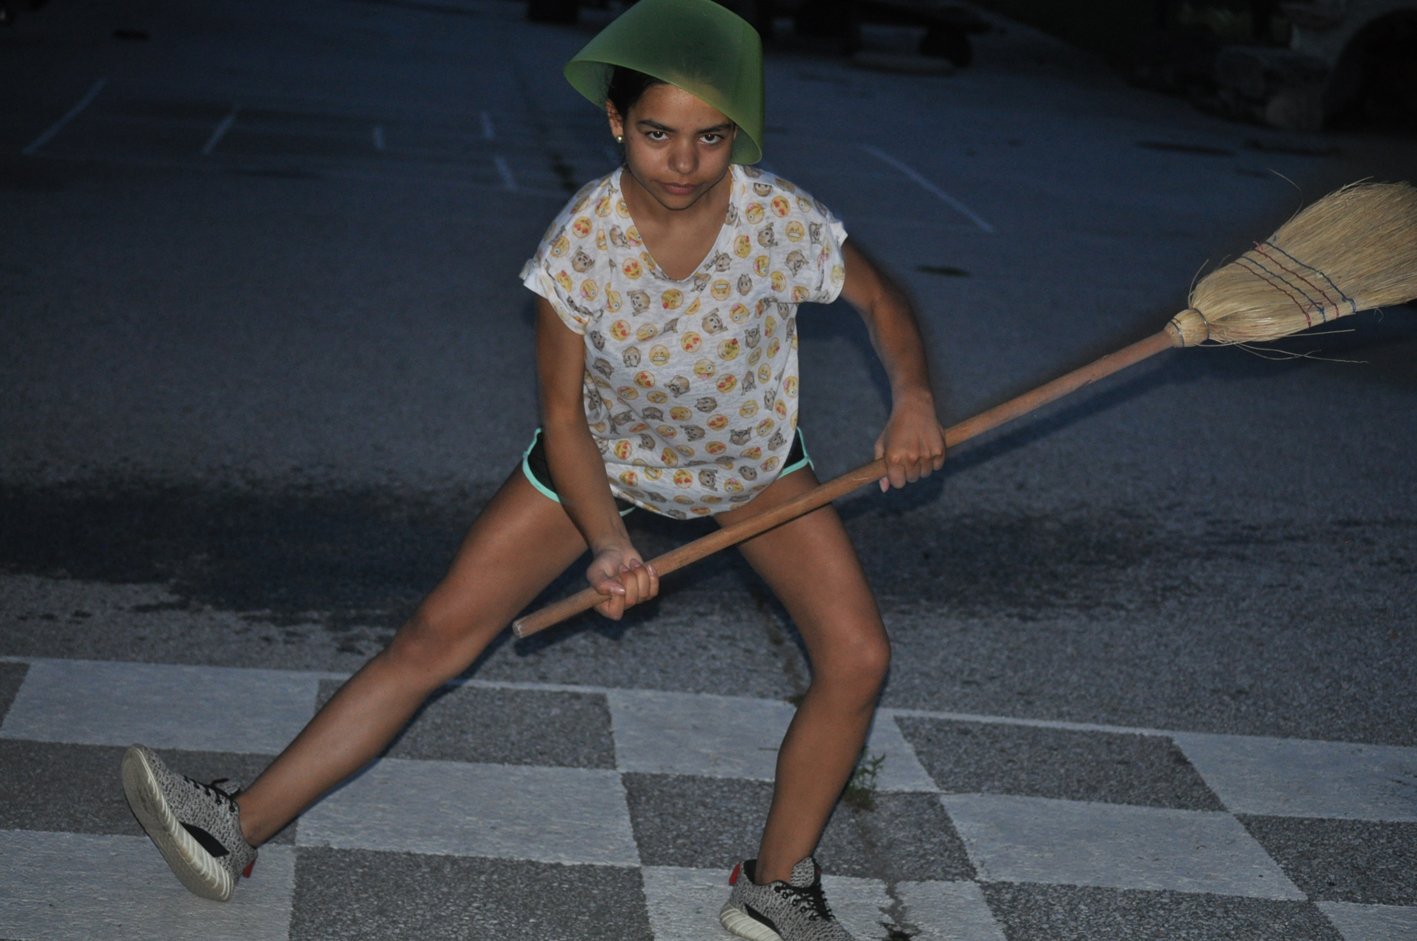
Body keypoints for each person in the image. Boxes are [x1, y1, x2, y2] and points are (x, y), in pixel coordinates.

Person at [120, 1, 946, 938]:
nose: (684, 162)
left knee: (858, 656)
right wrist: (607, 543)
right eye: (657, 133)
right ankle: (232, 824)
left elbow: (882, 302)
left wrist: (912, 396)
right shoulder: (581, 242)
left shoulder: (775, 217)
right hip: (598, 458)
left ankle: (776, 880)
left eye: (711, 137)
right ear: (615, 121)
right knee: (432, 638)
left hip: (749, 463)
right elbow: (562, 417)